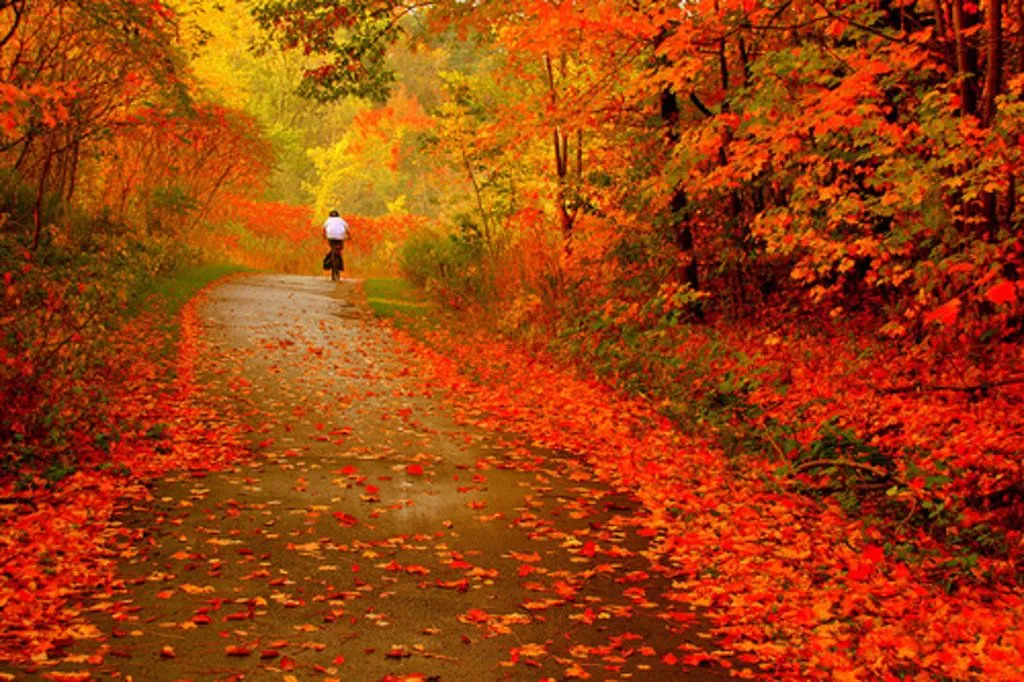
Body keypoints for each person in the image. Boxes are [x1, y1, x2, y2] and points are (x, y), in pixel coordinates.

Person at [323, 210, 349, 281]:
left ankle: (329, 259)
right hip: (340, 237)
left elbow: (324, 229)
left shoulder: (328, 220)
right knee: (340, 248)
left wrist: (324, 236)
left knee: (332, 247)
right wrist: (349, 236)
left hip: (331, 237)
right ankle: (339, 259)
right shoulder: (341, 220)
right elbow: (347, 228)